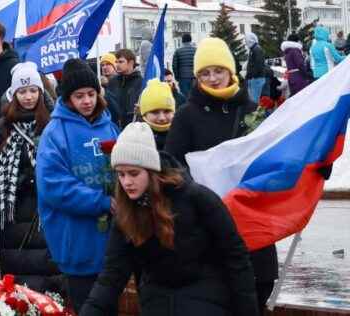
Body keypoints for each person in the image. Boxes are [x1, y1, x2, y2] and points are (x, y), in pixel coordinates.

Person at [80, 122, 259, 316]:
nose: (127, 182)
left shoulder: (197, 198)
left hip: (206, 295)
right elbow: (112, 275)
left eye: (134, 173)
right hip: (157, 299)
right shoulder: (126, 213)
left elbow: (236, 256)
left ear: (151, 170)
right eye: (121, 175)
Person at [165, 37, 277, 315]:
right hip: (208, 233)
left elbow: (276, 160)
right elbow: (171, 167)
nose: (213, 78)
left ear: (231, 71)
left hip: (254, 228)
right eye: (205, 73)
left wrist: (315, 164)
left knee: (255, 297)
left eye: (218, 71)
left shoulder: (254, 112)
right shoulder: (186, 116)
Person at [36, 58, 119, 313]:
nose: (87, 101)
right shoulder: (55, 132)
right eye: (79, 95)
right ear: (68, 98)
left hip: (112, 240)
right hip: (77, 238)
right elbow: (53, 185)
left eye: (91, 94)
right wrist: (102, 202)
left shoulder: (110, 126)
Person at [0, 61, 61, 293]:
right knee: (18, 285)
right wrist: (19, 181)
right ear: (14, 94)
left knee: (49, 279)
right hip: (13, 214)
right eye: (22, 91)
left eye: (33, 90)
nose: (28, 97)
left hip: (45, 211)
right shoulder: (2, 127)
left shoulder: (52, 124)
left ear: (41, 91)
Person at [107, 49, 143, 128]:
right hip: (114, 127)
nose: (117, 65)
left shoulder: (141, 82)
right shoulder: (113, 82)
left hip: (133, 128)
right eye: (116, 62)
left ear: (131, 63)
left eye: (121, 62)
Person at [138, 79, 176, 150]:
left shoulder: (184, 136)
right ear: (144, 114)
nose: (162, 118)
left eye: (167, 111)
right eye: (155, 112)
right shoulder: (134, 139)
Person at [244, 33, 267, 103]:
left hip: (256, 78)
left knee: (254, 100)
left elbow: (258, 65)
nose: (246, 43)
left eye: (246, 40)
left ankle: (254, 112)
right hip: (254, 78)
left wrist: (252, 75)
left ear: (250, 40)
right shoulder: (253, 49)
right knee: (252, 99)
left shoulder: (257, 49)